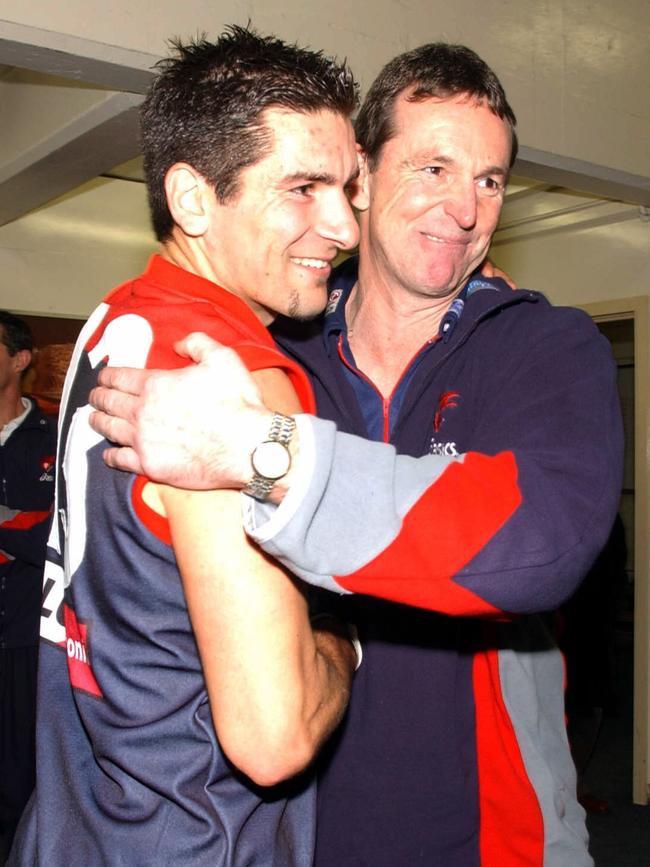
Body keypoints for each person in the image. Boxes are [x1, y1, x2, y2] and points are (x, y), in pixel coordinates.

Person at [90, 44, 623, 867]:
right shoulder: (275, 349)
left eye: (490, 180)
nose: (465, 207)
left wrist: (263, 454)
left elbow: (539, 542)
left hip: (490, 833)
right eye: (434, 168)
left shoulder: (547, 346)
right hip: (297, 830)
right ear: (362, 180)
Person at [8, 27, 362, 867]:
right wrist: (341, 641)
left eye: (348, 187)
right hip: (196, 839)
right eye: (304, 188)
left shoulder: (117, 320)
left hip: (78, 825)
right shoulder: (233, 379)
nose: (344, 223)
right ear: (194, 199)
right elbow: (273, 735)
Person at [0, 312, 55, 864]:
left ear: (19, 360)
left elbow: (61, 532)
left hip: (28, 639)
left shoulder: (57, 434)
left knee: (23, 786)